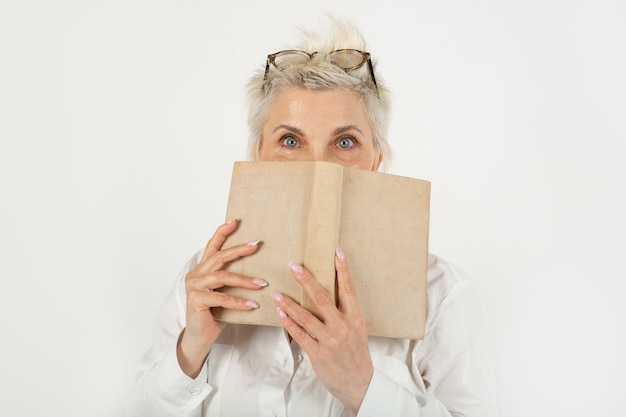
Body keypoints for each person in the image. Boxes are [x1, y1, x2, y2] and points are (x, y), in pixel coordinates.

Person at [126, 18, 496, 417]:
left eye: (344, 141)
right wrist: (191, 348)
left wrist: (363, 388)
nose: (318, 164)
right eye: (290, 140)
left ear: (375, 161)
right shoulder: (207, 279)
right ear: (259, 156)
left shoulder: (440, 293)